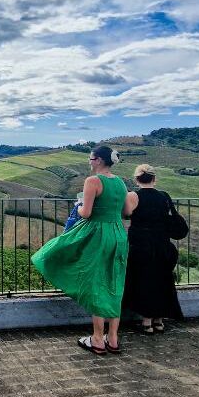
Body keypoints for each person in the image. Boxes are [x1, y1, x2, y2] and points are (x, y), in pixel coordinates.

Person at [31, 145, 133, 356]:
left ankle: (97, 338)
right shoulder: (120, 182)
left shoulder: (93, 181)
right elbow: (127, 211)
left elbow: (86, 213)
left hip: (97, 235)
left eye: (91, 158)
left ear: (98, 160)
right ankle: (112, 338)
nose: (89, 161)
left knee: (96, 283)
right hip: (118, 235)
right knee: (115, 282)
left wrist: (78, 205)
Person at [122, 164, 184, 333]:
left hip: (141, 246)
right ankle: (159, 321)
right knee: (162, 280)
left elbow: (126, 214)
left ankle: (147, 323)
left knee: (144, 281)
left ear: (136, 179)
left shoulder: (133, 196)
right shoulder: (164, 196)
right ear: (154, 179)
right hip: (163, 244)